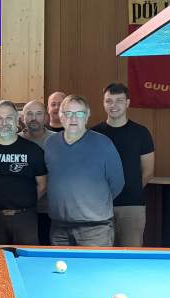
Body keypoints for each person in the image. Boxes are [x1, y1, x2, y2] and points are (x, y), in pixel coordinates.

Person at [45, 95, 124, 246]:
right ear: (61, 116)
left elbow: (117, 183)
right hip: (59, 228)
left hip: (95, 229)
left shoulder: (103, 143)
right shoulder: (51, 143)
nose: (73, 118)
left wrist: (93, 205)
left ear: (87, 116)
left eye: (79, 113)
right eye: (68, 113)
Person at [0, 100, 46, 245]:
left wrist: (24, 202)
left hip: (25, 219)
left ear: (17, 120)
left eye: (9, 118)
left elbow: (42, 185)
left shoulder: (33, 150)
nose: (4, 122)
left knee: (25, 259)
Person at [92, 83, 155, 247]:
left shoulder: (141, 132)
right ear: (103, 103)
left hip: (132, 206)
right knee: (101, 255)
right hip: (99, 207)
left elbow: (148, 171)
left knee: (131, 254)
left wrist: (131, 190)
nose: (113, 105)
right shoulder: (94, 134)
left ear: (127, 103)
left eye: (119, 101)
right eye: (109, 101)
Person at [20, 100, 56, 245]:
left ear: (46, 117)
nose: (33, 118)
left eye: (38, 113)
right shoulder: (14, 140)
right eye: (29, 114)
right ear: (22, 118)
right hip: (22, 212)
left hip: (50, 211)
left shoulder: (57, 140)